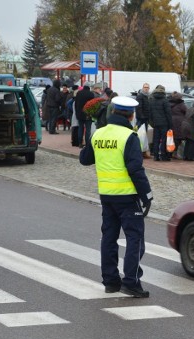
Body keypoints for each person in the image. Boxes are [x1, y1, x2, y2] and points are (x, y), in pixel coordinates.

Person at [79, 96, 153, 298]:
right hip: (128, 196)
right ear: (131, 115)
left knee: (109, 238)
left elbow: (85, 160)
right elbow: (135, 169)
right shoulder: (130, 136)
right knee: (134, 239)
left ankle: (110, 282)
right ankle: (131, 282)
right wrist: (147, 195)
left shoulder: (99, 133)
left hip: (106, 195)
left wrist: (89, 139)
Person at [149, 84, 173, 161]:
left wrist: (152, 123)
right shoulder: (165, 100)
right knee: (164, 139)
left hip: (156, 123)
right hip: (164, 123)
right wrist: (170, 125)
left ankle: (156, 156)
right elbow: (168, 113)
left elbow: (150, 113)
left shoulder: (152, 100)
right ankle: (163, 155)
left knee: (156, 139)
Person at [75, 82, 95, 146]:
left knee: (80, 128)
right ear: (89, 87)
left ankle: (80, 143)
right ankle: (87, 143)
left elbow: (76, 104)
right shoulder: (91, 94)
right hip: (88, 114)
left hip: (79, 114)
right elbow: (92, 105)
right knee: (88, 129)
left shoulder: (79, 93)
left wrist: (76, 112)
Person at [135, 83, 151, 158]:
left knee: (144, 136)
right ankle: (139, 151)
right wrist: (142, 117)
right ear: (142, 88)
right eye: (145, 87)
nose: (146, 88)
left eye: (147, 87)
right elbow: (139, 108)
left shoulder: (148, 96)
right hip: (141, 119)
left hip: (146, 118)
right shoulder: (140, 96)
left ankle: (143, 151)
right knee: (138, 134)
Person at [169, 91, 187, 157]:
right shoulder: (181, 105)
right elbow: (186, 111)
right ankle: (176, 153)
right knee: (179, 138)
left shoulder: (169, 103)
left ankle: (171, 152)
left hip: (171, 122)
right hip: (180, 123)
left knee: (173, 138)